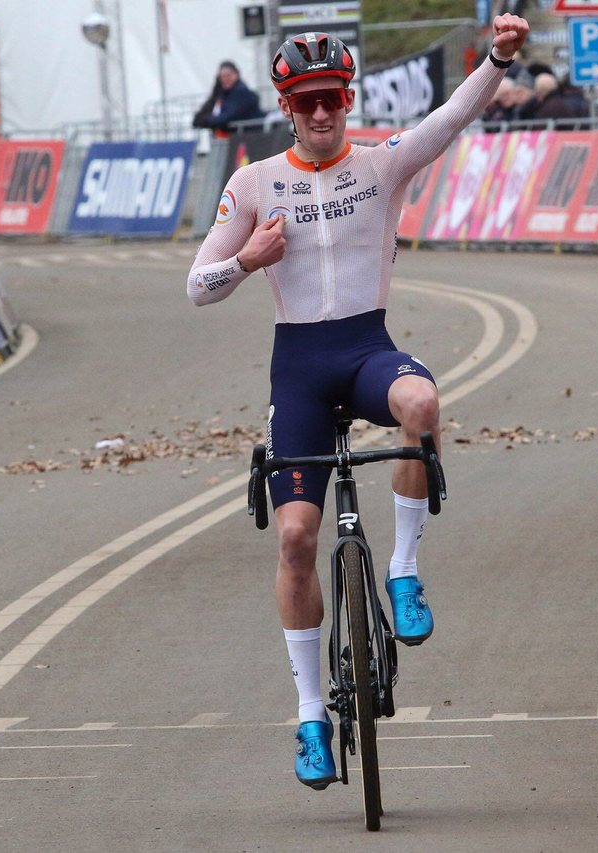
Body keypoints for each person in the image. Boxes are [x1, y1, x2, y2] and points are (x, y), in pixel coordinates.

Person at [185, 14, 530, 790]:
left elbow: (450, 118)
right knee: (298, 540)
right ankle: (310, 714)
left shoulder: (381, 166)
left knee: (423, 403)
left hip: (367, 349)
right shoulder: (253, 184)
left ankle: (403, 571)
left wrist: (500, 59)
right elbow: (195, 286)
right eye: (306, 101)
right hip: (299, 370)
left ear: (346, 99)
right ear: (286, 106)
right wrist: (248, 257)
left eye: (332, 98)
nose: (320, 113)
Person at [192, 61, 266, 137]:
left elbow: (230, 116)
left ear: (236, 75)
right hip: (232, 138)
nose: (225, 79)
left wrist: (207, 120)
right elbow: (204, 113)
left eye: (228, 75)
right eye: (222, 77)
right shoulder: (222, 94)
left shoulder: (242, 92)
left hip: (249, 137)